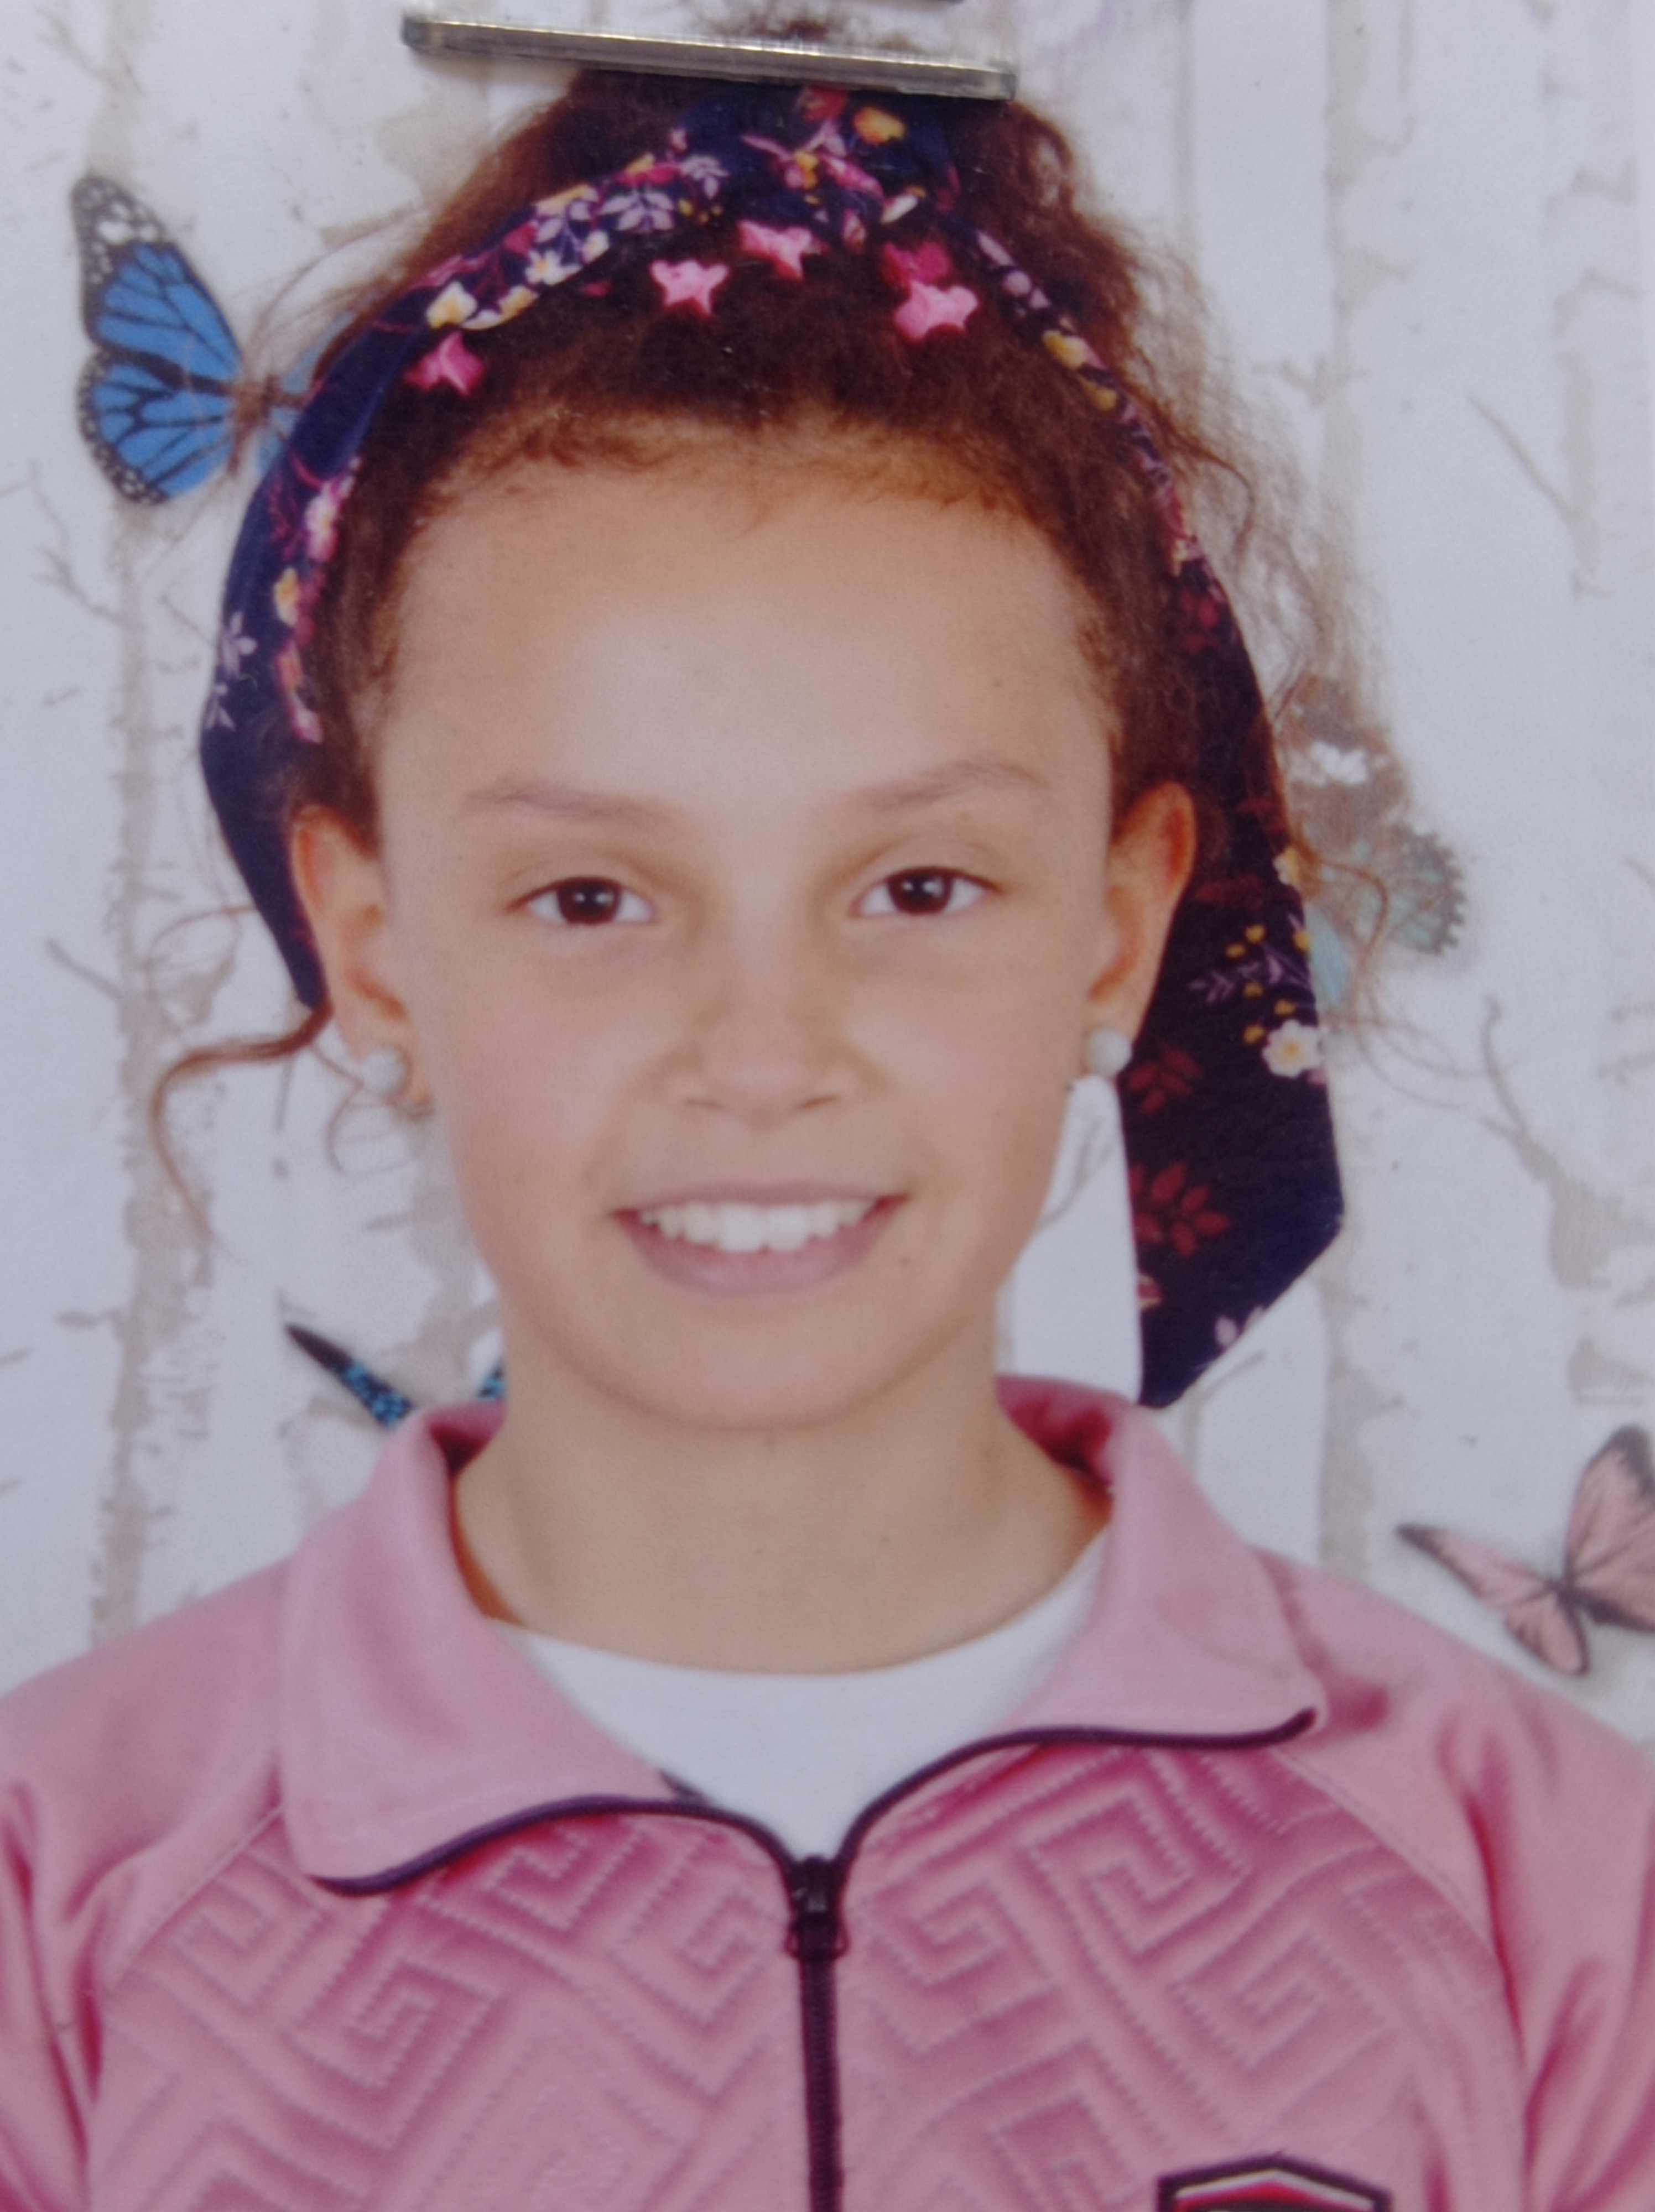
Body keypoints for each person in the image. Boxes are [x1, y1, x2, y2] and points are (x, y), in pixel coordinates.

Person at [2, 68, 1652, 2212]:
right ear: (373, 946)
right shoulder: (58, 1900)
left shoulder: (1546, 1892)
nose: (759, 1055)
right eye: (589, 897)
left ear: (1118, 926)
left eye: (916, 887)